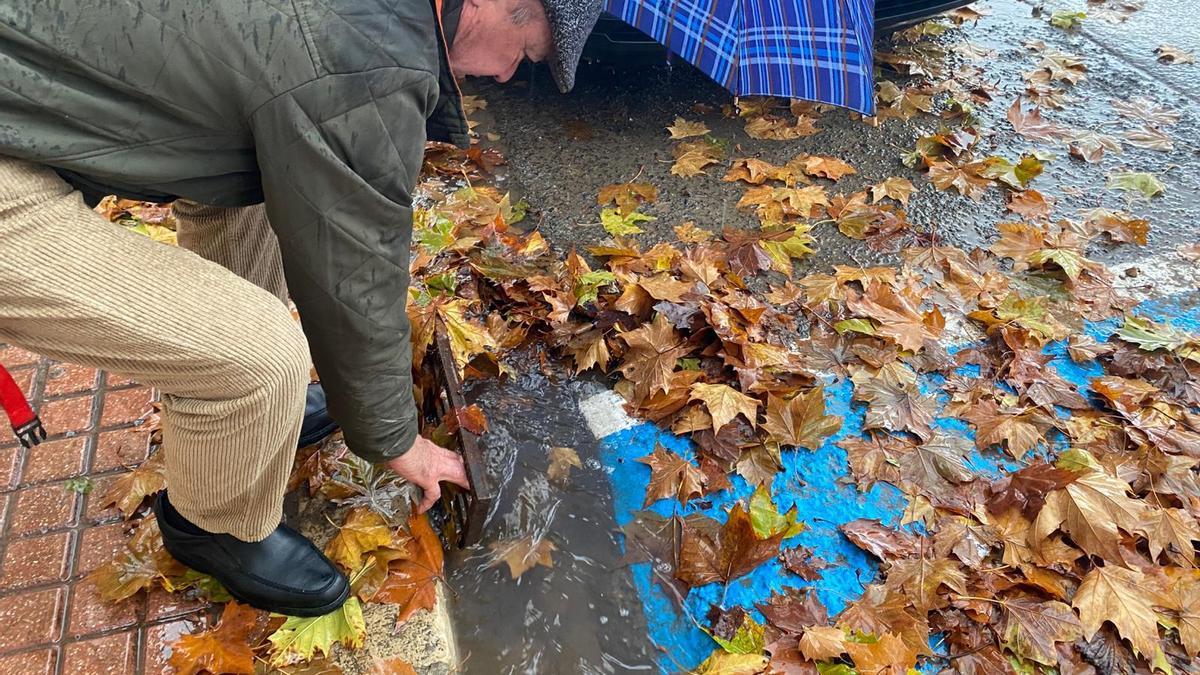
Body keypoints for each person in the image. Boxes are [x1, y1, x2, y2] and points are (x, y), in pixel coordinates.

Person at [0, 0, 604, 616]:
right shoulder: (362, 66)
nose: (506, 76)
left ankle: (236, 413)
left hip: (30, 81)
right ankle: (211, 524)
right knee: (262, 356)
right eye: (524, 53)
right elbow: (357, 271)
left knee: (269, 177)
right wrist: (396, 440)